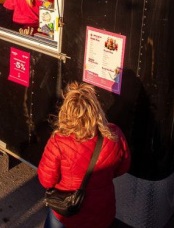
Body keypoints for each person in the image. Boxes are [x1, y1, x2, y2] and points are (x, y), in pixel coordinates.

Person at [37, 82, 131, 228]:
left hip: (67, 214)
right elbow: (123, 167)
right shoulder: (114, 134)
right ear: (96, 109)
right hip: (102, 212)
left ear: (66, 111)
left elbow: (46, 181)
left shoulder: (58, 141)